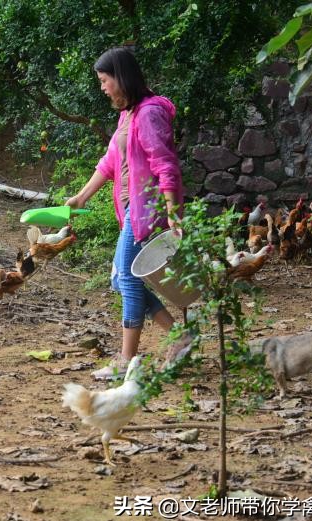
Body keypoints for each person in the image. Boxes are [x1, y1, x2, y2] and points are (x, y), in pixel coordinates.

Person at [65, 47, 190, 380]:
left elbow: (166, 165)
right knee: (122, 279)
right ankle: (181, 336)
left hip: (145, 208)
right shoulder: (129, 114)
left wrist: (172, 212)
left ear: (121, 77)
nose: (103, 88)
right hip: (132, 209)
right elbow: (108, 163)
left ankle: (126, 360)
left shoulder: (149, 113)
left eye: (105, 81)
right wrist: (79, 197)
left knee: (128, 280)